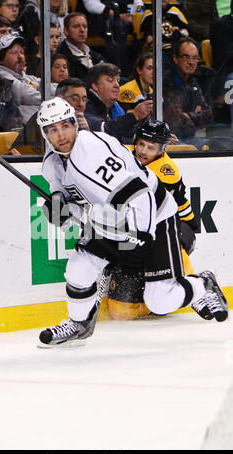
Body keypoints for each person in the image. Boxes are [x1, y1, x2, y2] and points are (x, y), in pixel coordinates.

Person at [35, 97, 228, 346]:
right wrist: (58, 207)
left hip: (154, 217)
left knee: (161, 300)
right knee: (78, 269)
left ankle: (203, 284)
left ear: (75, 124)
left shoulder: (92, 153)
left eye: (65, 126)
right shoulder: (52, 163)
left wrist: (143, 235)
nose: (61, 135)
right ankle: (79, 324)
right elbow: (67, 196)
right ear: (45, 134)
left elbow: (141, 195)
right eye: (53, 130)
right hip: (110, 219)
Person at [108, 119, 198, 320]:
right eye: (141, 144)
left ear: (162, 149)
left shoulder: (166, 171)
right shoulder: (124, 153)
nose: (143, 151)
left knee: (167, 243)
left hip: (177, 225)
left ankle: (195, 286)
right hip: (140, 230)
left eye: (151, 147)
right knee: (120, 312)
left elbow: (146, 212)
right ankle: (154, 303)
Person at [163, 37, 213, 148]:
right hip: (172, 142)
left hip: (191, 139)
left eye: (195, 58)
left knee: (218, 145)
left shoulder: (193, 83)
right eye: (186, 57)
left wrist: (189, 115)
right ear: (175, 59)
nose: (191, 62)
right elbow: (177, 123)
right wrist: (196, 115)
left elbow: (209, 115)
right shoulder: (166, 83)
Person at [0, 34, 57, 124]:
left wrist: (67, 91)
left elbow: (45, 85)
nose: (20, 56)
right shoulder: (0, 74)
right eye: (14, 52)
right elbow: (26, 95)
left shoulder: (24, 76)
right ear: (0, 59)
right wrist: (58, 101)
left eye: (22, 52)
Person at [85, 62, 153, 142]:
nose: (117, 85)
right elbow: (104, 131)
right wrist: (134, 116)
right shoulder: (84, 106)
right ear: (95, 86)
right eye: (110, 81)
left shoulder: (115, 107)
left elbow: (127, 134)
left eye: (118, 81)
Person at [57, 12, 105, 83]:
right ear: (66, 31)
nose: (82, 30)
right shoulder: (61, 56)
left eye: (85, 26)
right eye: (76, 26)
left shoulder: (97, 57)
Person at [140, 0, 189, 70]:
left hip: (173, 49)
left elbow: (186, 31)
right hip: (154, 50)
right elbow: (142, 33)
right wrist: (147, 37)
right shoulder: (148, 14)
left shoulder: (175, 12)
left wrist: (180, 33)